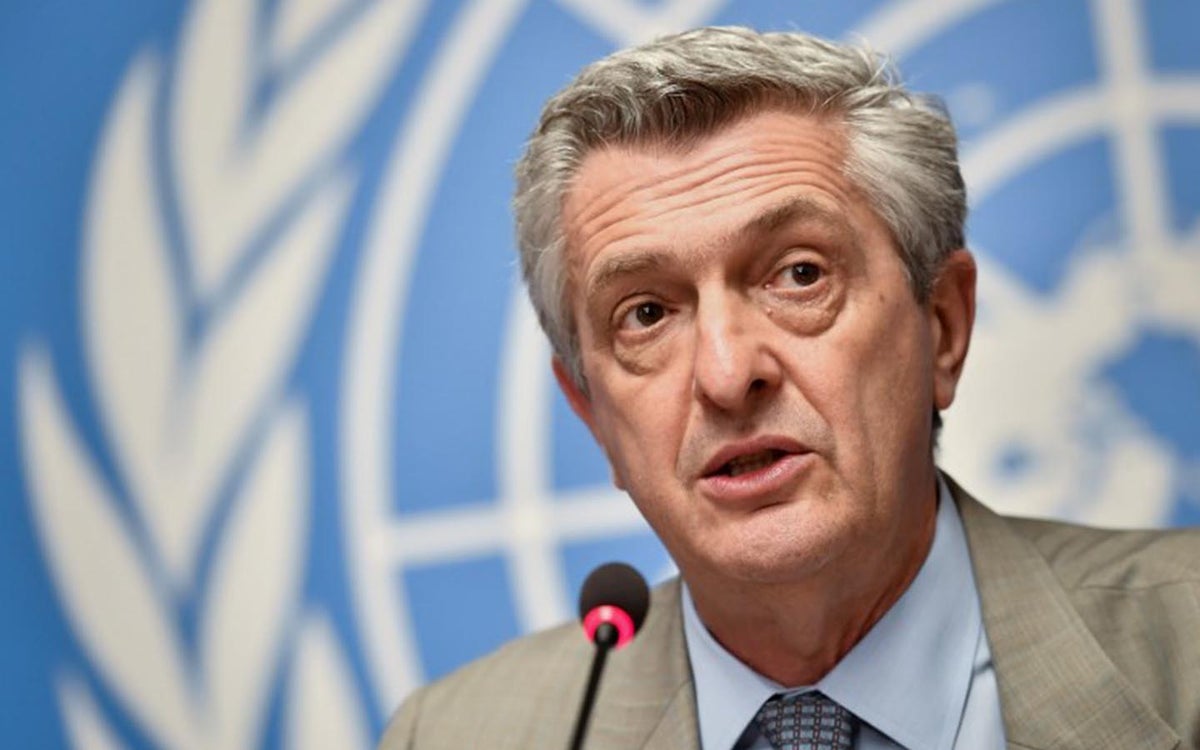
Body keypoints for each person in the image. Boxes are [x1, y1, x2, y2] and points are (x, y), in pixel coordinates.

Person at [379, 26, 1200, 750]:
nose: (727, 376)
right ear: (594, 416)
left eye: (799, 274)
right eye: (647, 314)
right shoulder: (454, 736)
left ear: (943, 326)